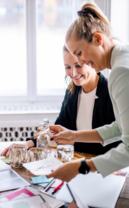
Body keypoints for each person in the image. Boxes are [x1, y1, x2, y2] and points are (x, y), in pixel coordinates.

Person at [47, 2, 129, 182]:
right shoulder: (123, 58)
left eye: (79, 53)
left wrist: (82, 167)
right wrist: (73, 135)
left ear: (98, 39)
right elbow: (120, 127)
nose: (81, 61)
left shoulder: (121, 72)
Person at [1, 45, 122, 157]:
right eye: (68, 67)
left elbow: (114, 144)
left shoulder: (110, 92)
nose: (73, 73)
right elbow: (58, 131)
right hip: (77, 162)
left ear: (91, 62)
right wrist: (28, 144)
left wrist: (72, 141)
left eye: (78, 65)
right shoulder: (72, 91)